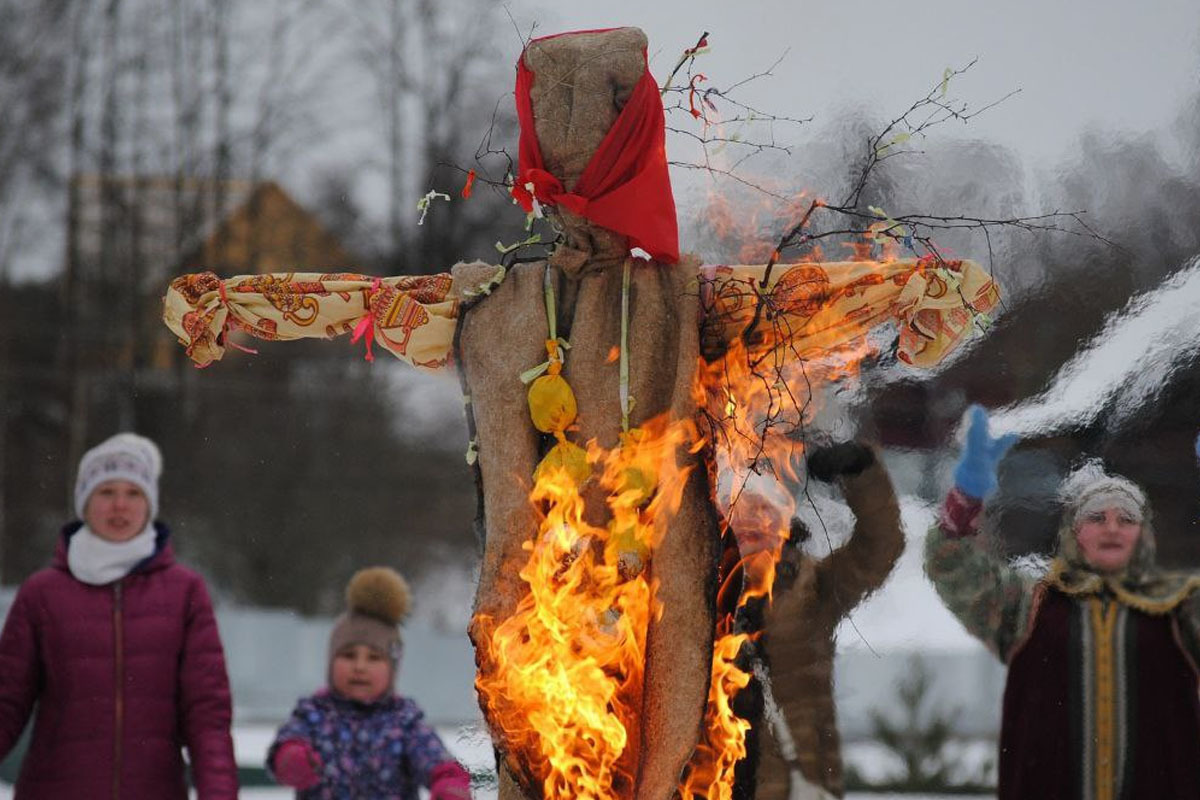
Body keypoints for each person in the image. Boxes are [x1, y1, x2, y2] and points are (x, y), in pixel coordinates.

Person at [925, 405, 1200, 798]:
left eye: (1126, 518)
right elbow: (952, 565)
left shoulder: (1182, 607)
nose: (1111, 528)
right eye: (1096, 518)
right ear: (1075, 532)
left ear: (1144, 534)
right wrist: (967, 496)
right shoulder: (1030, 604)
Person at [0, 432, 238, 798]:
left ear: (150, 504)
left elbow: (207, 714)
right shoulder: (42, 593)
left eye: (134, 493)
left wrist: (219, 792)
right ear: (84, 502)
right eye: (106, 492)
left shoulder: (185, 592)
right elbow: (7, 701)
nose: (119, 506)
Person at [750, 442, 905, 800]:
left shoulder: (810, 592)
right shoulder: (698, 599)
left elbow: (880, 546)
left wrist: (861, 473)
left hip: (802, 785)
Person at [267, 566, 472, 799]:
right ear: (330, 662)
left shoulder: (404, 721)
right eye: (348, 655)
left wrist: (449, 784)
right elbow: (285, 750)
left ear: (393, 669)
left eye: (374, 658)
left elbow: (436, 760)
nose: (360, 667)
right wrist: (290, 759)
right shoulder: (313, 714)